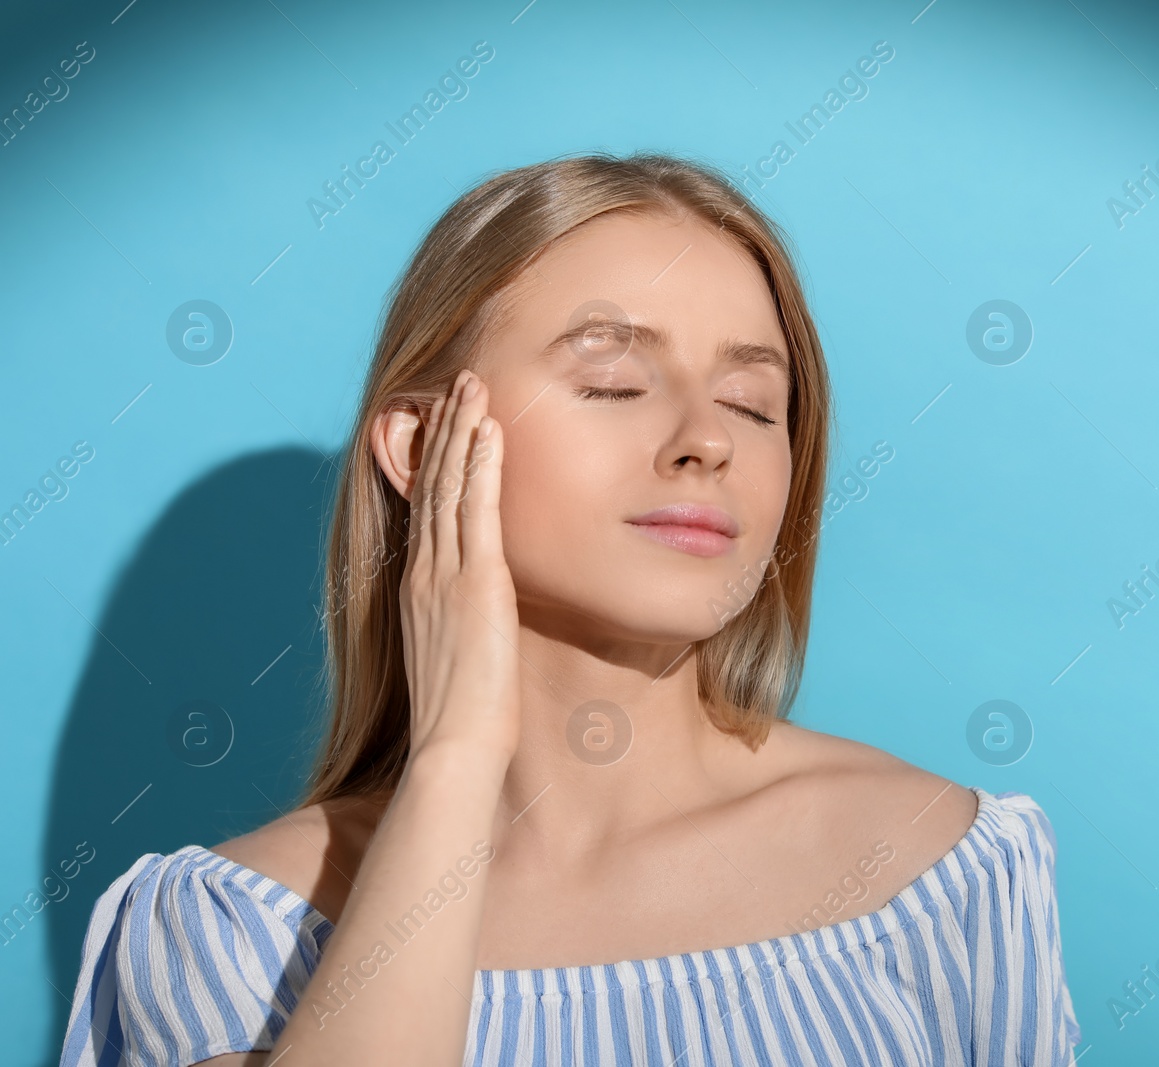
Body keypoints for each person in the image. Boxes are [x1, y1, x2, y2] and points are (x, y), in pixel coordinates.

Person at [58, 152, 1082, 1066]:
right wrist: (455, 755)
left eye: (751, 404)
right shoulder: (229, 929)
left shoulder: (938, 866)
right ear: (421, 450)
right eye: (614, 381)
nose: (705, 440)